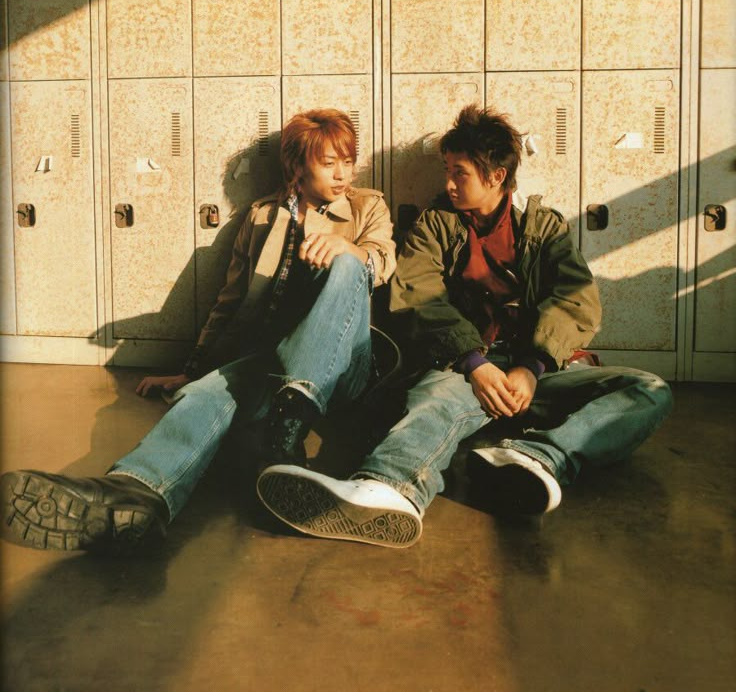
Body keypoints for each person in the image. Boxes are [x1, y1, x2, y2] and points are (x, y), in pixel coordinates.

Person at [257, 104, 674, 549]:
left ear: (496, 176)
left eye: (460, 173)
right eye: (446, 171)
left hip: (536, 371)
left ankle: (536, 458)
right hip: (462, 368)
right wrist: (475, 363)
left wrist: (531, 368)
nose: (449, 184)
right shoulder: (435, 226)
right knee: (434, 401)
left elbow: (576, 299)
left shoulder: (543, 228)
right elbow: (417, 294)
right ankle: (386, 487)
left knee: (647, 389)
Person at [1, 109, 396, 555]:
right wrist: (192, 371)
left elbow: (382, 261)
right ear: (298, 165)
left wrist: (350, 248)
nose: (344, 173)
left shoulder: (367, 206)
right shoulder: (263, 217)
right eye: (330, 162)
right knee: (203, 396)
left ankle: (284, 436)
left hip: (345, 367)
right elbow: (229, 305)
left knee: (347, 265)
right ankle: (134, 493)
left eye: (348, 160)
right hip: (272, 362)